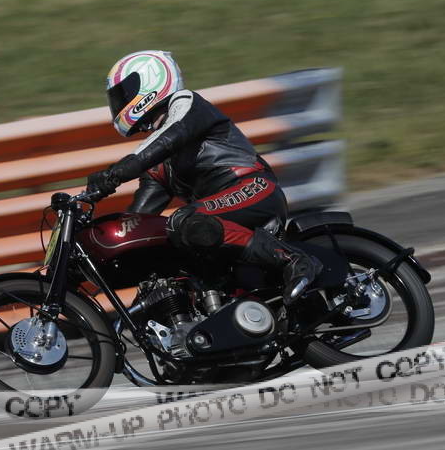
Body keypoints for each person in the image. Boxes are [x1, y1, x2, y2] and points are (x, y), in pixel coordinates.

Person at [85, 50, 321, 301]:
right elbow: (137, 220)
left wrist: (114, 175)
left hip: (254, 189)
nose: (119, 102)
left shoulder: (186, 104)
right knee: (164, 244)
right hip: (218, 215)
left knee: (182, 220)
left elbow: (168, 138)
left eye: (124, 93)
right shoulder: (157, 164)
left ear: (151, 81)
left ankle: (293, 261)